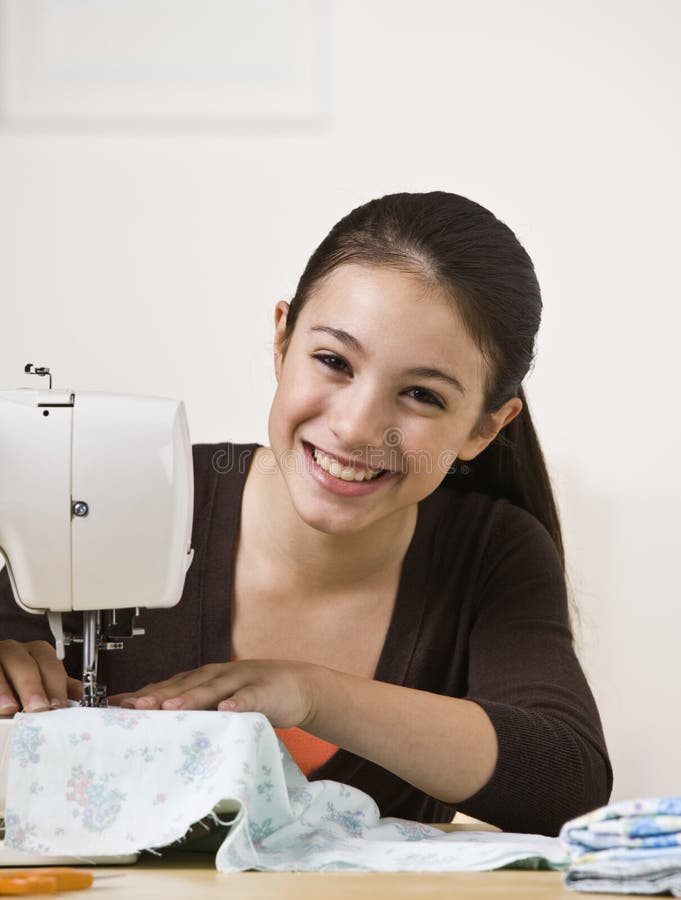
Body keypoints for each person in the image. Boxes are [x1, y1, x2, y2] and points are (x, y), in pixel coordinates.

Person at [0, 192, 612, 835]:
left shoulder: (490, 551)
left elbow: (567, 779)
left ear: (486, 427)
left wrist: (311, 693)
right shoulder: (119, 496)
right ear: (282, 340)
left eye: (421, 394)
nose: (355, 427)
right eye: (333, 361)